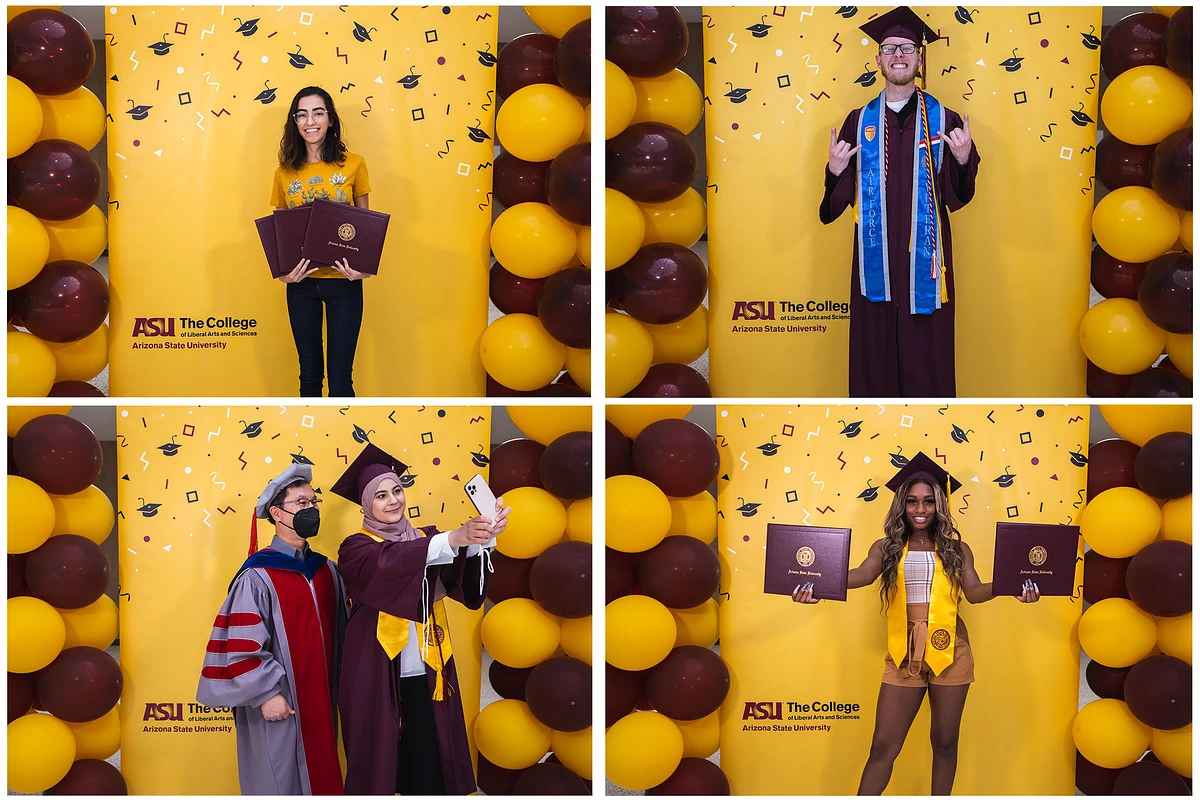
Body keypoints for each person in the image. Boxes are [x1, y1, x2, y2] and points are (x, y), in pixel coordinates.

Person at [792, 452, 1039, 795]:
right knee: (882, 748)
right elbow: (862, 575)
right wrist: (819, 585)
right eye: (912, 501)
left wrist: (1013, 586)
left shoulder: (956, 548)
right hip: (902, 650)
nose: (920, 509)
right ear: (902, 505)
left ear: (939, 505)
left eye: (927, 501)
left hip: (950, 648)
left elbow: (975, 591)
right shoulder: (887, 547)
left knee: (945, 742)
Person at [819, 7, 981, 398]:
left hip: (926, 252)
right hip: (875, 251)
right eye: (890, 48)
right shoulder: (858, 121)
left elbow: (958, 193)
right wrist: (836, 170)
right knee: (874, 333)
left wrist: (961, 161)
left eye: (907, 48)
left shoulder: (945, 120)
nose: (898, 55)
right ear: (878, 59)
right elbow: (834, 202)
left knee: (928, 338)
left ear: (919, 58)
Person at [332, 444, 511, 795]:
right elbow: (390, 564)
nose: (393, 500)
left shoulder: (426, 539)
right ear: (367, 504)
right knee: (380, 764)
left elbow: (458, 584)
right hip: (376, 674)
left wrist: (478, 542)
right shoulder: (356, 547)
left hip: (429, 671)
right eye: (381, 495)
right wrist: (454, 538)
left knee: (429, 763)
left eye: (397, 490)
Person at [197, 463, 347, 795]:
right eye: (301, 503)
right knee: (276, 776)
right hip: (281, 700)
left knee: (321, 771)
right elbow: (241, 645)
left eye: (313, 502)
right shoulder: (258, 576)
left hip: (321, 697)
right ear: (277, 513)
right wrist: (267, 694)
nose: (311, 509)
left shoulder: (326, 571)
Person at [271, 86, 373, 397]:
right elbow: (280, 233)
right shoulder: (284, 173)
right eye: (302, 114)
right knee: (309, 377)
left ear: (330, 120)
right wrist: (283, 274)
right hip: (301, 286)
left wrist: (364, 270)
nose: (309, 121)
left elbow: (366, 227)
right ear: (295, 122)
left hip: (344, 284)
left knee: (342, 381)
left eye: (317, 112)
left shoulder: (354, 164)